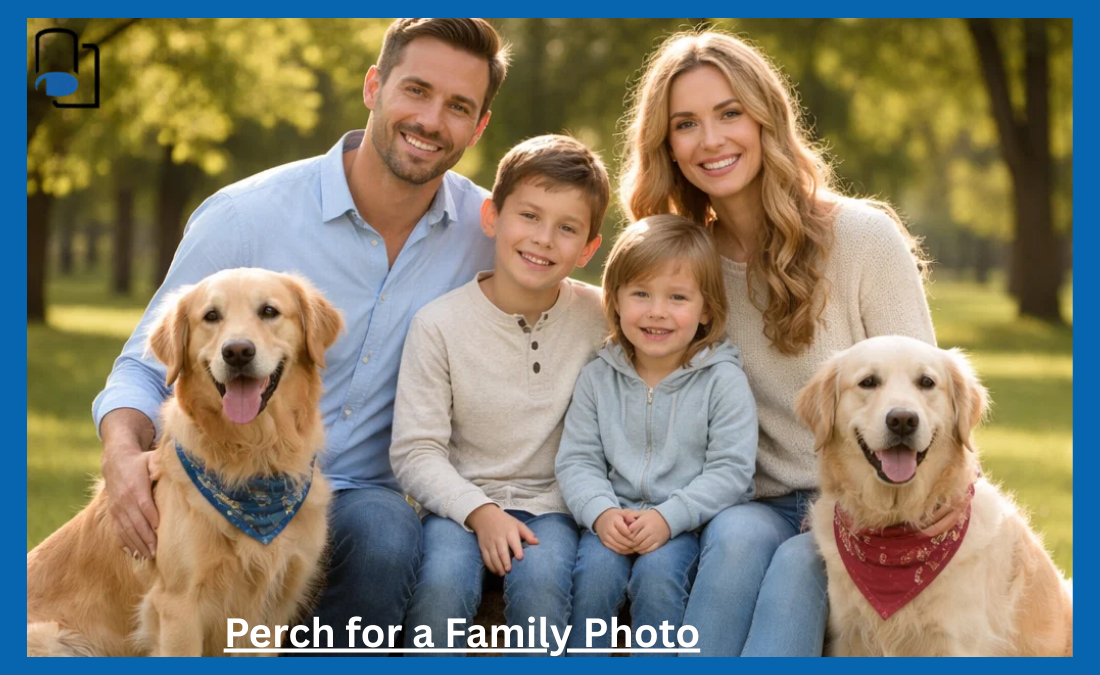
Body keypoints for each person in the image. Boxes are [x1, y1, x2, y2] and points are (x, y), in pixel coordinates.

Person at [91, 18, 510, 650]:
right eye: (416, 90)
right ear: (374, 86)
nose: (431, 120)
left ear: (478, 127)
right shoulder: (245, 215)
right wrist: (122, 456)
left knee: (383, 529)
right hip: (220, 482)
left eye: (458, 106)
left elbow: (567, 285)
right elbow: (146, 364)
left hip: (356, 494)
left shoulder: (487, 233)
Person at [619, 30, 936, 656]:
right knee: (736, 537)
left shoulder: (864, 239)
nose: (711, 140)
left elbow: (926, 404)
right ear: (667, 146)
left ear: (767, 119)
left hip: (866, 503)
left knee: (799, 564)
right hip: (753, 502)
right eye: (686, 124)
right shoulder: (688, 269)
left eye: (730, 113)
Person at [390, 134, 609, 654]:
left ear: (588, 249)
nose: (543, 239)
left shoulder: (602, 319)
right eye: (529, 216)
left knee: (542, 583)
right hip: (459, 506)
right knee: (442, 584)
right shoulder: (439, 325)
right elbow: (414, 450)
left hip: (555, 508)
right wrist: (480, 511)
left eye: (567, 228)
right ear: (492, 217)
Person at [556, 215, 758, 656]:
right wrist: (600, 512)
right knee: (592, 578)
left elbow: (732, 469)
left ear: (706, 309)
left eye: (678, 297)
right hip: (610, 519)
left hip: (683, 524)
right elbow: (578, 460)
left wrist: (670, 517)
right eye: (641, 293)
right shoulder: (598, 377)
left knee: (657, 578)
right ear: (616, 299)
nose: (657, 311)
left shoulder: (722, 380)